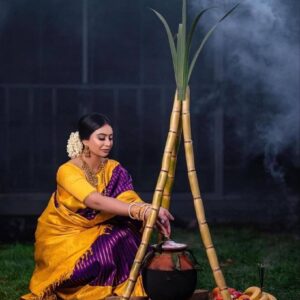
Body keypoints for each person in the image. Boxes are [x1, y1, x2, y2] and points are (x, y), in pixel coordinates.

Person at [21, 113, 173, 300]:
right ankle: (91, 287)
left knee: (126, 234)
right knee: (113, 241)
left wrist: (151, 212)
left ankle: (127, 286)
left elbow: (128, 198)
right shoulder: (67, 171)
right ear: (85, 140)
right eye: (101, 138)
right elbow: (94, 201)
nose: (108, 143)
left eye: (110, 138)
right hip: (67, 241)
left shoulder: (114, 168)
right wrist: (140, 210)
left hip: (99, 231)